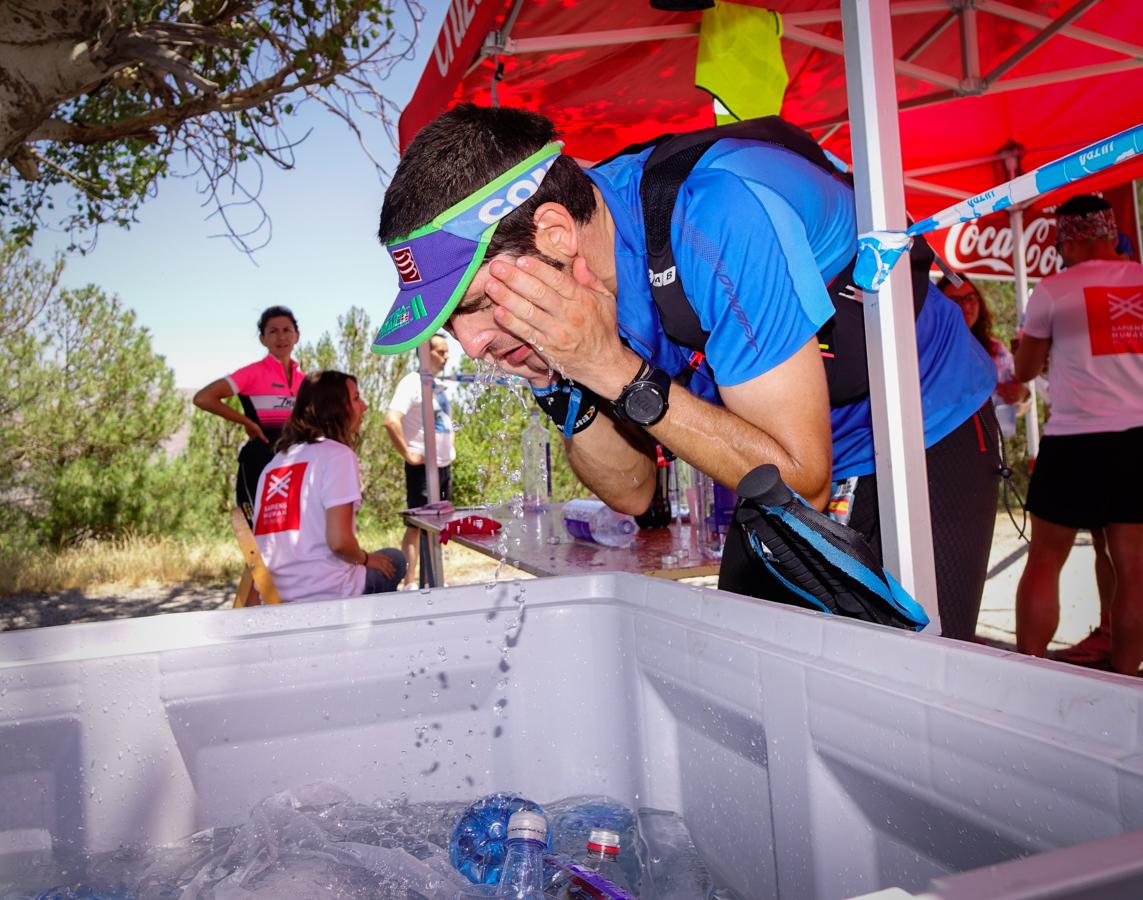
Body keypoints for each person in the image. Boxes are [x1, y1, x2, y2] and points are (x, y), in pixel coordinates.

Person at [373, 104, 999, 640]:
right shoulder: (569, 287)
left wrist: (610, 367)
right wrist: (551, 379)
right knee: (751, 709)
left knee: (909, 706)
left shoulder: (716, 213)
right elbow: (632, 491)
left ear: (556, 234)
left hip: (922, 426)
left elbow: (800, 479)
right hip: (768, 449)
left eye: (477, 305)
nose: (472, 342)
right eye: (452, 324)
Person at [1013, 194, 1143, 676]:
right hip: (1138, 437)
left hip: (1076, 437)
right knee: (1134, 565)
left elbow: (1025, 369)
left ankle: (1028, 672)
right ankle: (1127, 682)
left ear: (1068, 237)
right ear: (1109, 232)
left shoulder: (1054, 290)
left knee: (1046, 559)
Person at [251, 370, 406, 601]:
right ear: (333, 408)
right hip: (325, 593)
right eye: (355, 398)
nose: (364, 406)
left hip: (276, 594)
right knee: (395, 559)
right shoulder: (337, 455)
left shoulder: (275, 464)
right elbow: (340, 542)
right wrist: (365, 558)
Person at [193, 306, 305, 523]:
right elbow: (203, 398)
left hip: (294, 463)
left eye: (286, 330)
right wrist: (246, 421)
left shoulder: (305, 380)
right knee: (256, 527)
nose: (281, 337)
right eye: (273, 331)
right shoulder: (253, 373)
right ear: (262, 339)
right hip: (259, 461)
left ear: (297, 335)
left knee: (291, 527)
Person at [384, 333, 456, 590]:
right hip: (423, 468)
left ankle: (433, 578)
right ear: (425, 353)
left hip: (444, 465)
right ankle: (411, 583)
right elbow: (391, 420)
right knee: (418, 526)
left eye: (447, 351)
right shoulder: (412, 382)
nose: (446, 356)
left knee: (438, 526)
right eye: (440, 351)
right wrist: (408, 454)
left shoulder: (439, 384)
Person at [939, 275, 1030, 439]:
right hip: (944, 443)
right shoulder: (932, 349)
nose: (965, 305)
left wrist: (1023, 396)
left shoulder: (996, 349)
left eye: (970, 298)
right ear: (939, 307)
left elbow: (1019, 408)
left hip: (989, 443)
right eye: (955, 300)